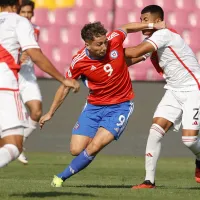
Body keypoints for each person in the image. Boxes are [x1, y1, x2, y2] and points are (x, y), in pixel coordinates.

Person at [39, 21, 165, 187]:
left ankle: (60, 178)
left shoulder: (114, 39)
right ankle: (88, 152)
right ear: (87, 44)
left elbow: (126, 28)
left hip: (120, 106)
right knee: (76, 150)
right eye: (99, 44)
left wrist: (151, 25)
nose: (104, 46)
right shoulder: (79, 62)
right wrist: (50, 112)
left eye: (105, 42)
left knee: (95, 146)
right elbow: (65, 87)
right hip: (93, 107)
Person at [124, 5, 200, 189]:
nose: (142, 23)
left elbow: (133, 52)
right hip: (174, 90)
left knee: (189, 140)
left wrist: (110, 50)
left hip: (194, 89)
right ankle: (149, 181)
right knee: (155, 131)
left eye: (146, 19)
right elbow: (129, 61)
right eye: (141, 19)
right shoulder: (154, 40)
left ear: (158, 21)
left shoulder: (163, 34)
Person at [0, 0, 79, 169]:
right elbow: (35, 55)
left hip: (16, 79)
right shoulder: (19, 21)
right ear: (18, 4)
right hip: (5, 85)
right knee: (14, 146)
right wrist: (62, 79)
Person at [17, 0, 42, 164]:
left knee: (36, 111)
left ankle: (18, 145)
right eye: (23, 12)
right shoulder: (8, 28)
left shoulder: (35, 30)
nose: (26, 15)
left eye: (29, 12)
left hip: (28, 75)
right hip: (11, 75)